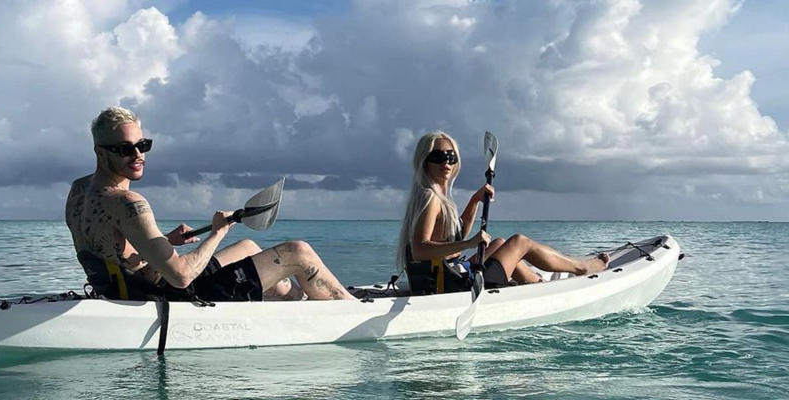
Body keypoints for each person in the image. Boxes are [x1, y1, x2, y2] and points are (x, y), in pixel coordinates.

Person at [66, 106, 355, 303]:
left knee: (249, 249)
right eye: (125, 149)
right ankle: (350, 309)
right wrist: (217, 233)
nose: (138, 154)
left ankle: (296, 302)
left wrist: (166, 241)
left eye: (143, 145)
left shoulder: (79, 190)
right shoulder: (129, 203)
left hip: (129, 289)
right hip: (170, 295)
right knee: (298, 252)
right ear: (100, 152)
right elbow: (180, 277)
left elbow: (117, 256)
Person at [398, 130, 609, 293]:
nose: (445, 162)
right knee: (520, 242)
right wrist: (469, 244)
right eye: (438, 157)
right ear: (424, 161)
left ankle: (538, 286)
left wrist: (474, 201)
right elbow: (420, 250)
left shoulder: (433, 197)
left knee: (499, 243)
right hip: (451, 287)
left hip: (448, 276)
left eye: (450, 156)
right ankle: (581, 268)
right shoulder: (430, 198)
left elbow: (455, 235)